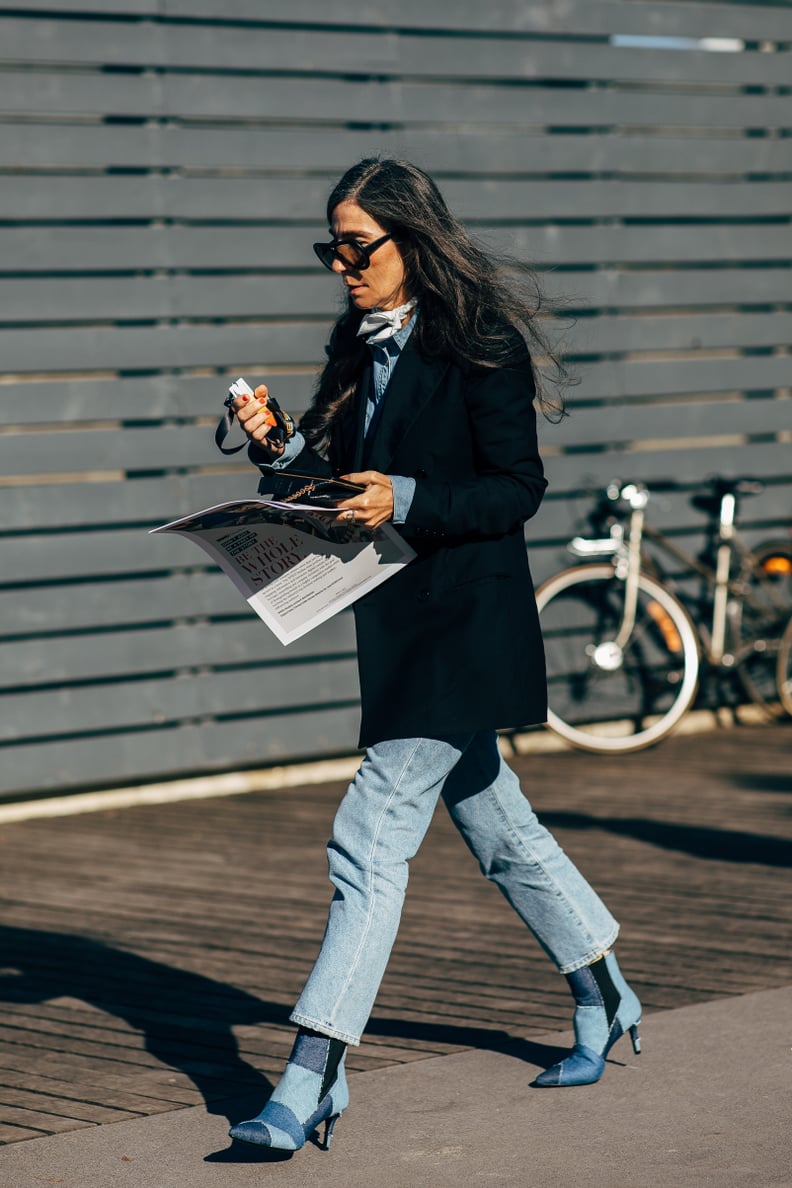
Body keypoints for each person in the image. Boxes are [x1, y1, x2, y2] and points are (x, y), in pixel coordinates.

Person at [225, 158, 641, 1153]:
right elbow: (342, 483)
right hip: (401, 626)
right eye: (331, 248)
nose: (341, 266)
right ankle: (606, 991)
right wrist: (280, 450)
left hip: (470, 625)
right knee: (500, 829)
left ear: (411, 238)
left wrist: (406, 496)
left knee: (369, 836)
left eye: (356, 246)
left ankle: (312, 1073)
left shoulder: (480, 344)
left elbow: (515, 488)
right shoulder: (357, 343)